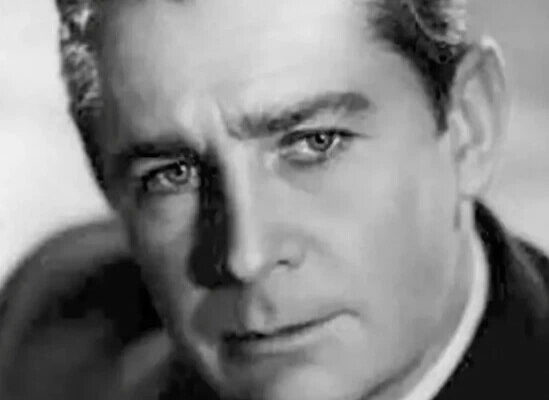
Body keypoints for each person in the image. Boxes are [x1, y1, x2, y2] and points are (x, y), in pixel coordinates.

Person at [0, 0, 548, 399]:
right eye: (173, 173)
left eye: (315, 143)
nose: (247, 256)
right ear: (110, 190)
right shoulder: (49, 335)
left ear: (469, 125)